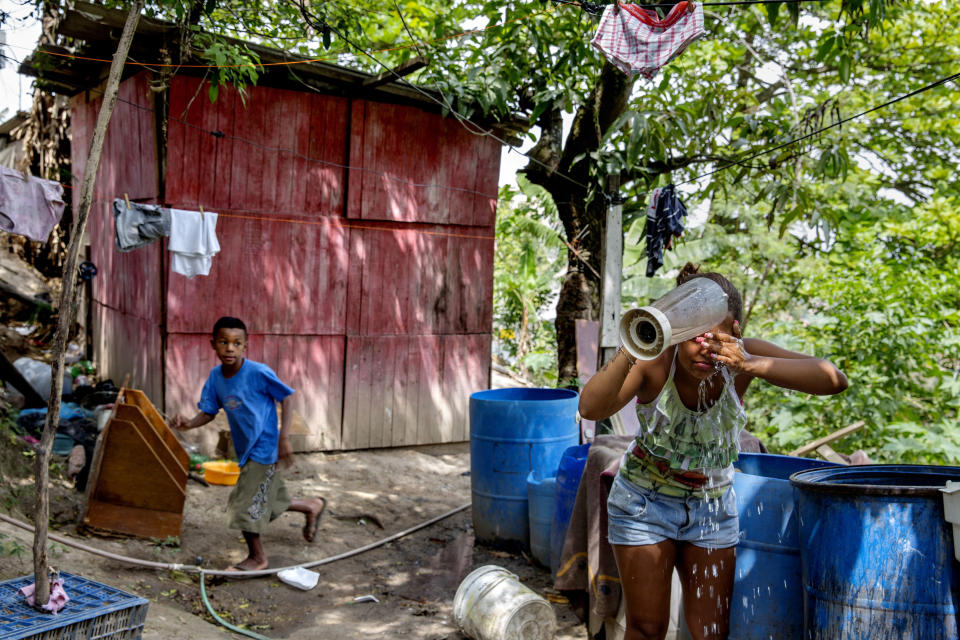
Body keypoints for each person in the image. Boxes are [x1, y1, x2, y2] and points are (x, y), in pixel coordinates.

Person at [578, 263, 848, 640]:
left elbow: (834, 379)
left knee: (711, 632)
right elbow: (590, 408)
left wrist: (750, 363)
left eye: (717, 340)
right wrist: (635, 344)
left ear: (735, 333)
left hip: (712, 505)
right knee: (647, 628)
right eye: (694, 337)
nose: (705, 351)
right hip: (643, 502)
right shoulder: (655, 362)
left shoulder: (744, 360)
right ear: (677, 332)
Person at [170, 316, 326, 572]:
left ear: (245, 346)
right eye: (223, 342)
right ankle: (312, 505)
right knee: (267, 497)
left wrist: (283, 437)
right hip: (245, 450)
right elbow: (209, 411)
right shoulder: (216, 377)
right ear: (213, 345)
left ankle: (257, 558)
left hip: (265, 448)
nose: (230, 348)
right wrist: (187, 423)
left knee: (243, 503)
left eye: (236, 343)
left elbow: (287, 398)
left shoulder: (258, 373)